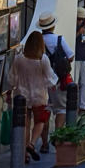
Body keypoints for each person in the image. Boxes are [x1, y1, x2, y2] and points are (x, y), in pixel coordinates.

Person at [10, 30, 55, 161]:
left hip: (22, 95)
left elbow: (12, 78)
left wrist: (11, 89)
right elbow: (50, 78)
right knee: (40, 121)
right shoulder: (43, 59)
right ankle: (32, 143)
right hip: (39, 95)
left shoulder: (19, 58)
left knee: (25, 125)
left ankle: (24, 153)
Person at [39, 14, 73, 148]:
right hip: (58, 79)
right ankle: (58, 138)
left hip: (42, 80)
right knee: (61, 109)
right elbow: (70, 56)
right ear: (52, 26)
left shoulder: (38, 41)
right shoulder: (59, 39)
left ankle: (44, 143)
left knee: (45, 110)